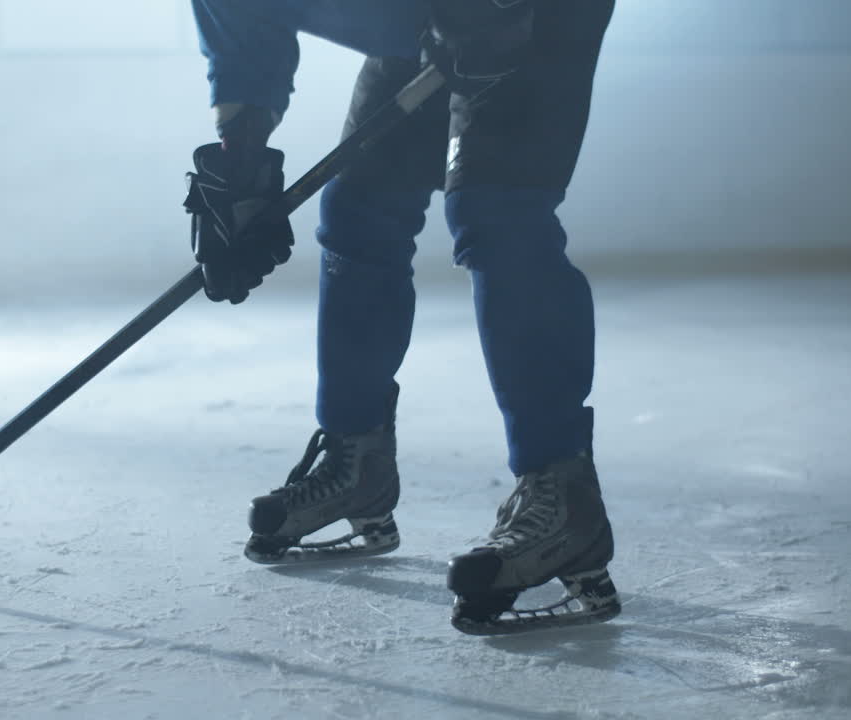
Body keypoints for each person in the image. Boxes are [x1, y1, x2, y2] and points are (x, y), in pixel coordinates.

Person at [182, 0, 620, 634]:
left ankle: (563, 498)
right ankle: (355, 463)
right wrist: (241, 156)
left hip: (531, 15)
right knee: (358, 212)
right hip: (422, 18)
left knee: (497, 217)